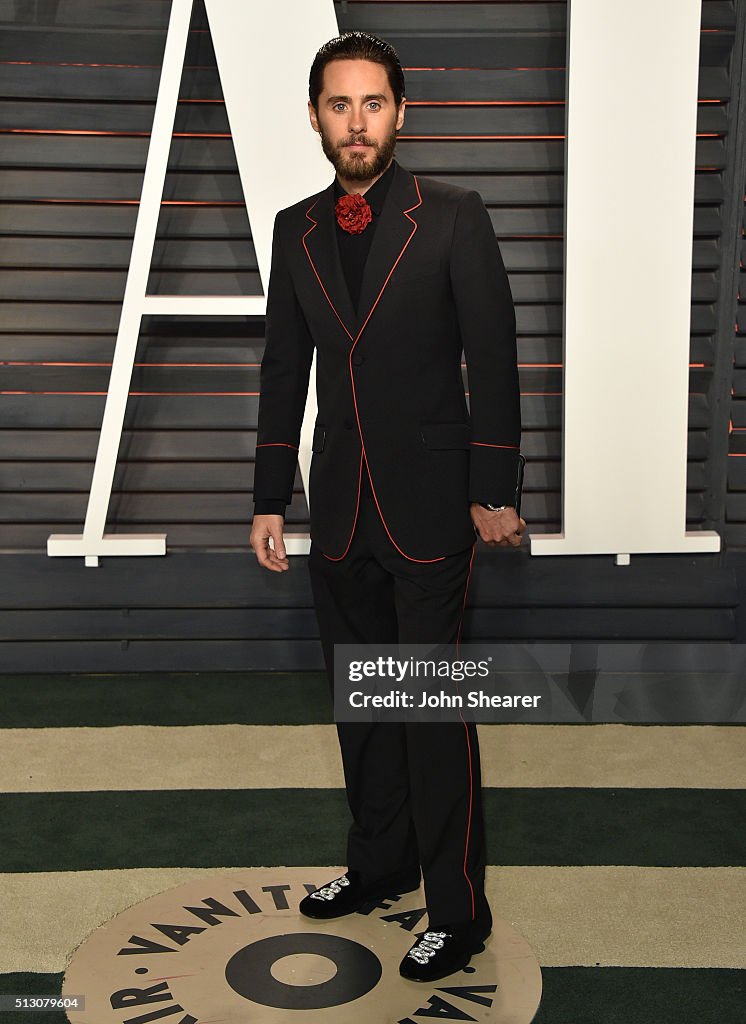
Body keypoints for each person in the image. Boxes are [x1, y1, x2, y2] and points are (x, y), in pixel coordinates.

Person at [250, 31, 525, 983]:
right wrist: (266, 497)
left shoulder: (453, 216)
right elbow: (286, 369)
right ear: (316, 116)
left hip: (435, 509)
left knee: (430, 711)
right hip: (339, 509)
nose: (356, 122)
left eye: (374, 104)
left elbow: (491, 356)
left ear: (401, 114)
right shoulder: (295, 228)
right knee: (362, 706)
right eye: (339, 105)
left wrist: (494, 488)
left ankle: (456, 909)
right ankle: (377, 868)